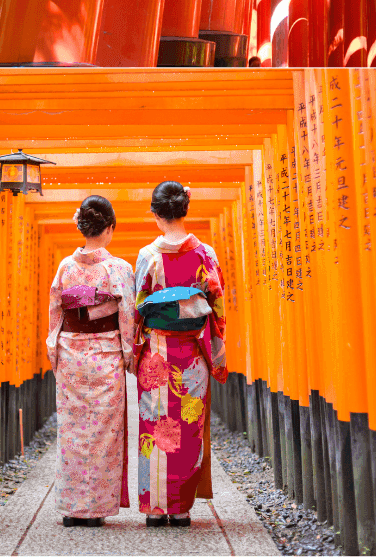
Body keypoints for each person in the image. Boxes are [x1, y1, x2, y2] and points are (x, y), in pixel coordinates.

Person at [131, 180, 229, 527]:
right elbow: (217, 309)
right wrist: (216, 350)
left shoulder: (147, 256)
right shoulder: (205, 254)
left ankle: (154, 508)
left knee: (154, 424)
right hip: (191, 355)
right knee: (188, 428)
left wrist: (133, 350)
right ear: (185, 209)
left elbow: (138, 308)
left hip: (157, 355)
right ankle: (181, 508)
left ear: (155, 213)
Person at [45, 194, 136, 528]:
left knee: (72, 430)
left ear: (81, 227)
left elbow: (55, 315)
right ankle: (95, 509)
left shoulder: (65, 268)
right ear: (109, 228)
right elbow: (127, 317)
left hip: (71, 353)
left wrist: (55, 353)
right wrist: (129, 355)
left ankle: (72, 508)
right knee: (103, 432)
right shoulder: (120, 269)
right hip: (105, 355)